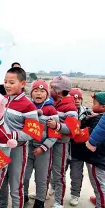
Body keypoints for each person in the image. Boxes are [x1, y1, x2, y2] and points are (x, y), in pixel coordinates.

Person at [0, 67, 39, 208]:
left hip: (18, 150)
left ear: (22, 84)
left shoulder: (29, 106)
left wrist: (11, 135)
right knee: (0, 182)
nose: (7, 85)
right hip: (0, 149)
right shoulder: (1, 100)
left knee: (16, 186)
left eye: (11, 82)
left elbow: (33, 133)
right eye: (5, 82)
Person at [23, 80, 59, 208]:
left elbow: (54, 134)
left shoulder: (51, 110)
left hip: (43, 150)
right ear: (31, 93)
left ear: (47, 93)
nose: (39, 94)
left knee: (41, 178)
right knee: (24, 175)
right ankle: (24, 196)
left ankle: (39, 202)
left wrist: (43, 147)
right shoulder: (27, 107)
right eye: (36, 91)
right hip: (27, 148)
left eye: (42, 91)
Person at [47, 76, 78, 208]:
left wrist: (57, 126)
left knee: (58, 172)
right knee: (45, 170)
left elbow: (71, 129)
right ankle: (43, 193)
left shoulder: (70, 108)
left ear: (59, 91)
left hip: (60, 144)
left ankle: (58, 202)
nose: (49, 90)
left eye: (52, 88)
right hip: (47, 142)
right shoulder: (51, 102)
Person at [71, 92, 105, 208]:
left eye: (94, 103)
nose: (92, 105)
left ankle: (101, 203)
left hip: (96, 156)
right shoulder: (94, 116)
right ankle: (100, 198)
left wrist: (74, 130)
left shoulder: (98, 119)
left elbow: (89, 135)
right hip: (95, 155)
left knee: (98, 182)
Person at [66, 88, 92, 206]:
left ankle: (75, 195)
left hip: (78, 151)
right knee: (57, 172)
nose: (76, 100)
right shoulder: (64, 111)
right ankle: (53, 188)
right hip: (64, 148)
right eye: (74, 97)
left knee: (76, 174)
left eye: (79, 98)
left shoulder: (88, 114)